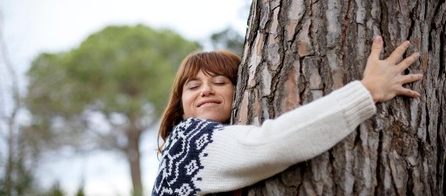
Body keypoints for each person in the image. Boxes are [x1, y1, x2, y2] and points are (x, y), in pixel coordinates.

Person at [152, 36, 423, 196]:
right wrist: (367, 91)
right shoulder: (187, 140)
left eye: (220, 81)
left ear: (243, 90)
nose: (206, 91)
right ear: (180, 106)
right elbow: (271, 144)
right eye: (193, 86)